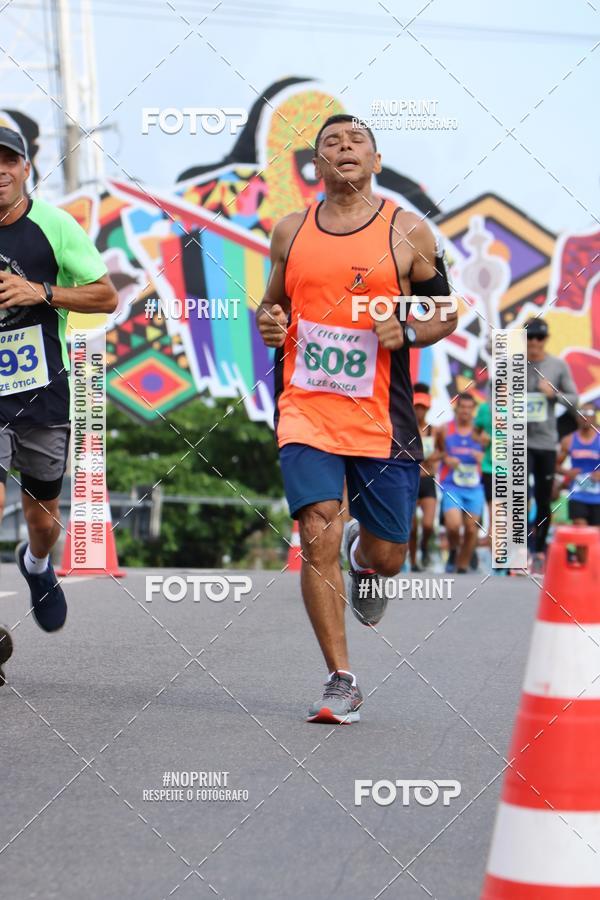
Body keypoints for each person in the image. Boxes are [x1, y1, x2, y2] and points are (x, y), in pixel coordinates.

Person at [256, 113, 457, 724]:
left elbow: (446, 313)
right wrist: (269, 322)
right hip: (306, 408)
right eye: (330, 144)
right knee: (315, 529)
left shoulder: (408, 232)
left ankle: (367, 561)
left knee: (390, 552)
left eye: (356, 142)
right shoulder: (290, 231)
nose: (343, 149)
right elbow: (274, 305)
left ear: (375, 161)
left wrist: (410, 331)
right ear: (317, 166)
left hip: (381, 417)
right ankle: (340, 679)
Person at [0, 126, 117, 681]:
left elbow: (105, 294)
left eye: (9, 161)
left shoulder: (55, 226)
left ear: (26, 169)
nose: (0, 171)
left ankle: (37, 562)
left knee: (42, 518)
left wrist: (40, 292)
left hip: (41, 393)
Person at [526, 317, 578, 574]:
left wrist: (554, 394)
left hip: (545, 443)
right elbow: (494, 396)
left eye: (539, 337)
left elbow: (575, 399)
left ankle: (537, 550)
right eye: (529, 337)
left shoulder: (557, 365)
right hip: (518, 442)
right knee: (517, 495)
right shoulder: (513, 365)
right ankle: (519, 549)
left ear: (545, 340)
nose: (534, 342)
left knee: (543, 498)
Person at [440, 393, 485, 574]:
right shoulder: (445, 429)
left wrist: (483, 457)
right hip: (452, 486)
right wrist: (447, 459)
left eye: (469, 407)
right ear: (457, 409)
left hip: (475, 488)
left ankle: (462, 564)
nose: (465, 411)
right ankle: (453, 551)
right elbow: (438, 452)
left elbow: (494, 456)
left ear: (473, 410)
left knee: (471, 529)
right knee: (453, 525)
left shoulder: (480, 433)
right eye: (462, 407)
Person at [409, 383, 442, 571]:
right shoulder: (406, 430)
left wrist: (434, 457)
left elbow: (443, 452)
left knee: (428, 524)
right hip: (412, 478)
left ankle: (424, 547)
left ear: (428, 408)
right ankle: (414, 562)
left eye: (423, 407)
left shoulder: (435, 430)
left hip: (428, 479)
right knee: (412, 527)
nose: (419, 411)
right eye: (417, 407)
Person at [557, 404, 600, 529]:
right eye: (582, 414)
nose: (586, 417)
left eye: (590, 414)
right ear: (577, 418)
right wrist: (567, 472)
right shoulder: (569, 440)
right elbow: (555, 465)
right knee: (581, 533)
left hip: (598, 497)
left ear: (595, 418)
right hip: (577, 495)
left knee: (596, 538)